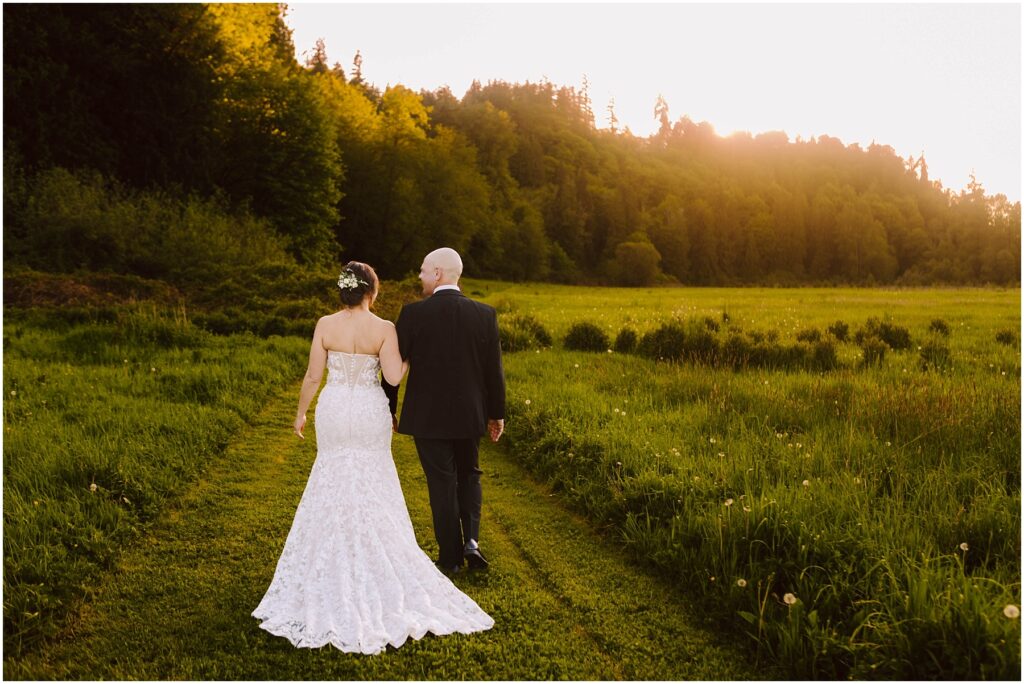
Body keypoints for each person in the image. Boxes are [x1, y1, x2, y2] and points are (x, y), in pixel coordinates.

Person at [252, 261, 493, 654]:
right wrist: (413, 356)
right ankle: (376, 554)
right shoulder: (384, 329)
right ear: (372, 291)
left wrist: (300, 413)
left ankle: (326, 557)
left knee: (330, 472)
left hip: (333, 409)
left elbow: (314, 376)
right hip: (367, 411)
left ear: (343, 291)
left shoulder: (324, 324)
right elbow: (395, 377)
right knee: (372, 476)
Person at [394, 247, 506, 575]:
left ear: (439, 273)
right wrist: (496, 414)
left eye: (424, 270)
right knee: (470, 474)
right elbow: (493, 372)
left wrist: (388, 406)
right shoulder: (484, 314)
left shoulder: (413, 314)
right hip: (470, 414)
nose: (420, 276)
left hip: (427, 418)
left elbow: (393, 368)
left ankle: (451, 557)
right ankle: (471, 540)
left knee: (441, 483)